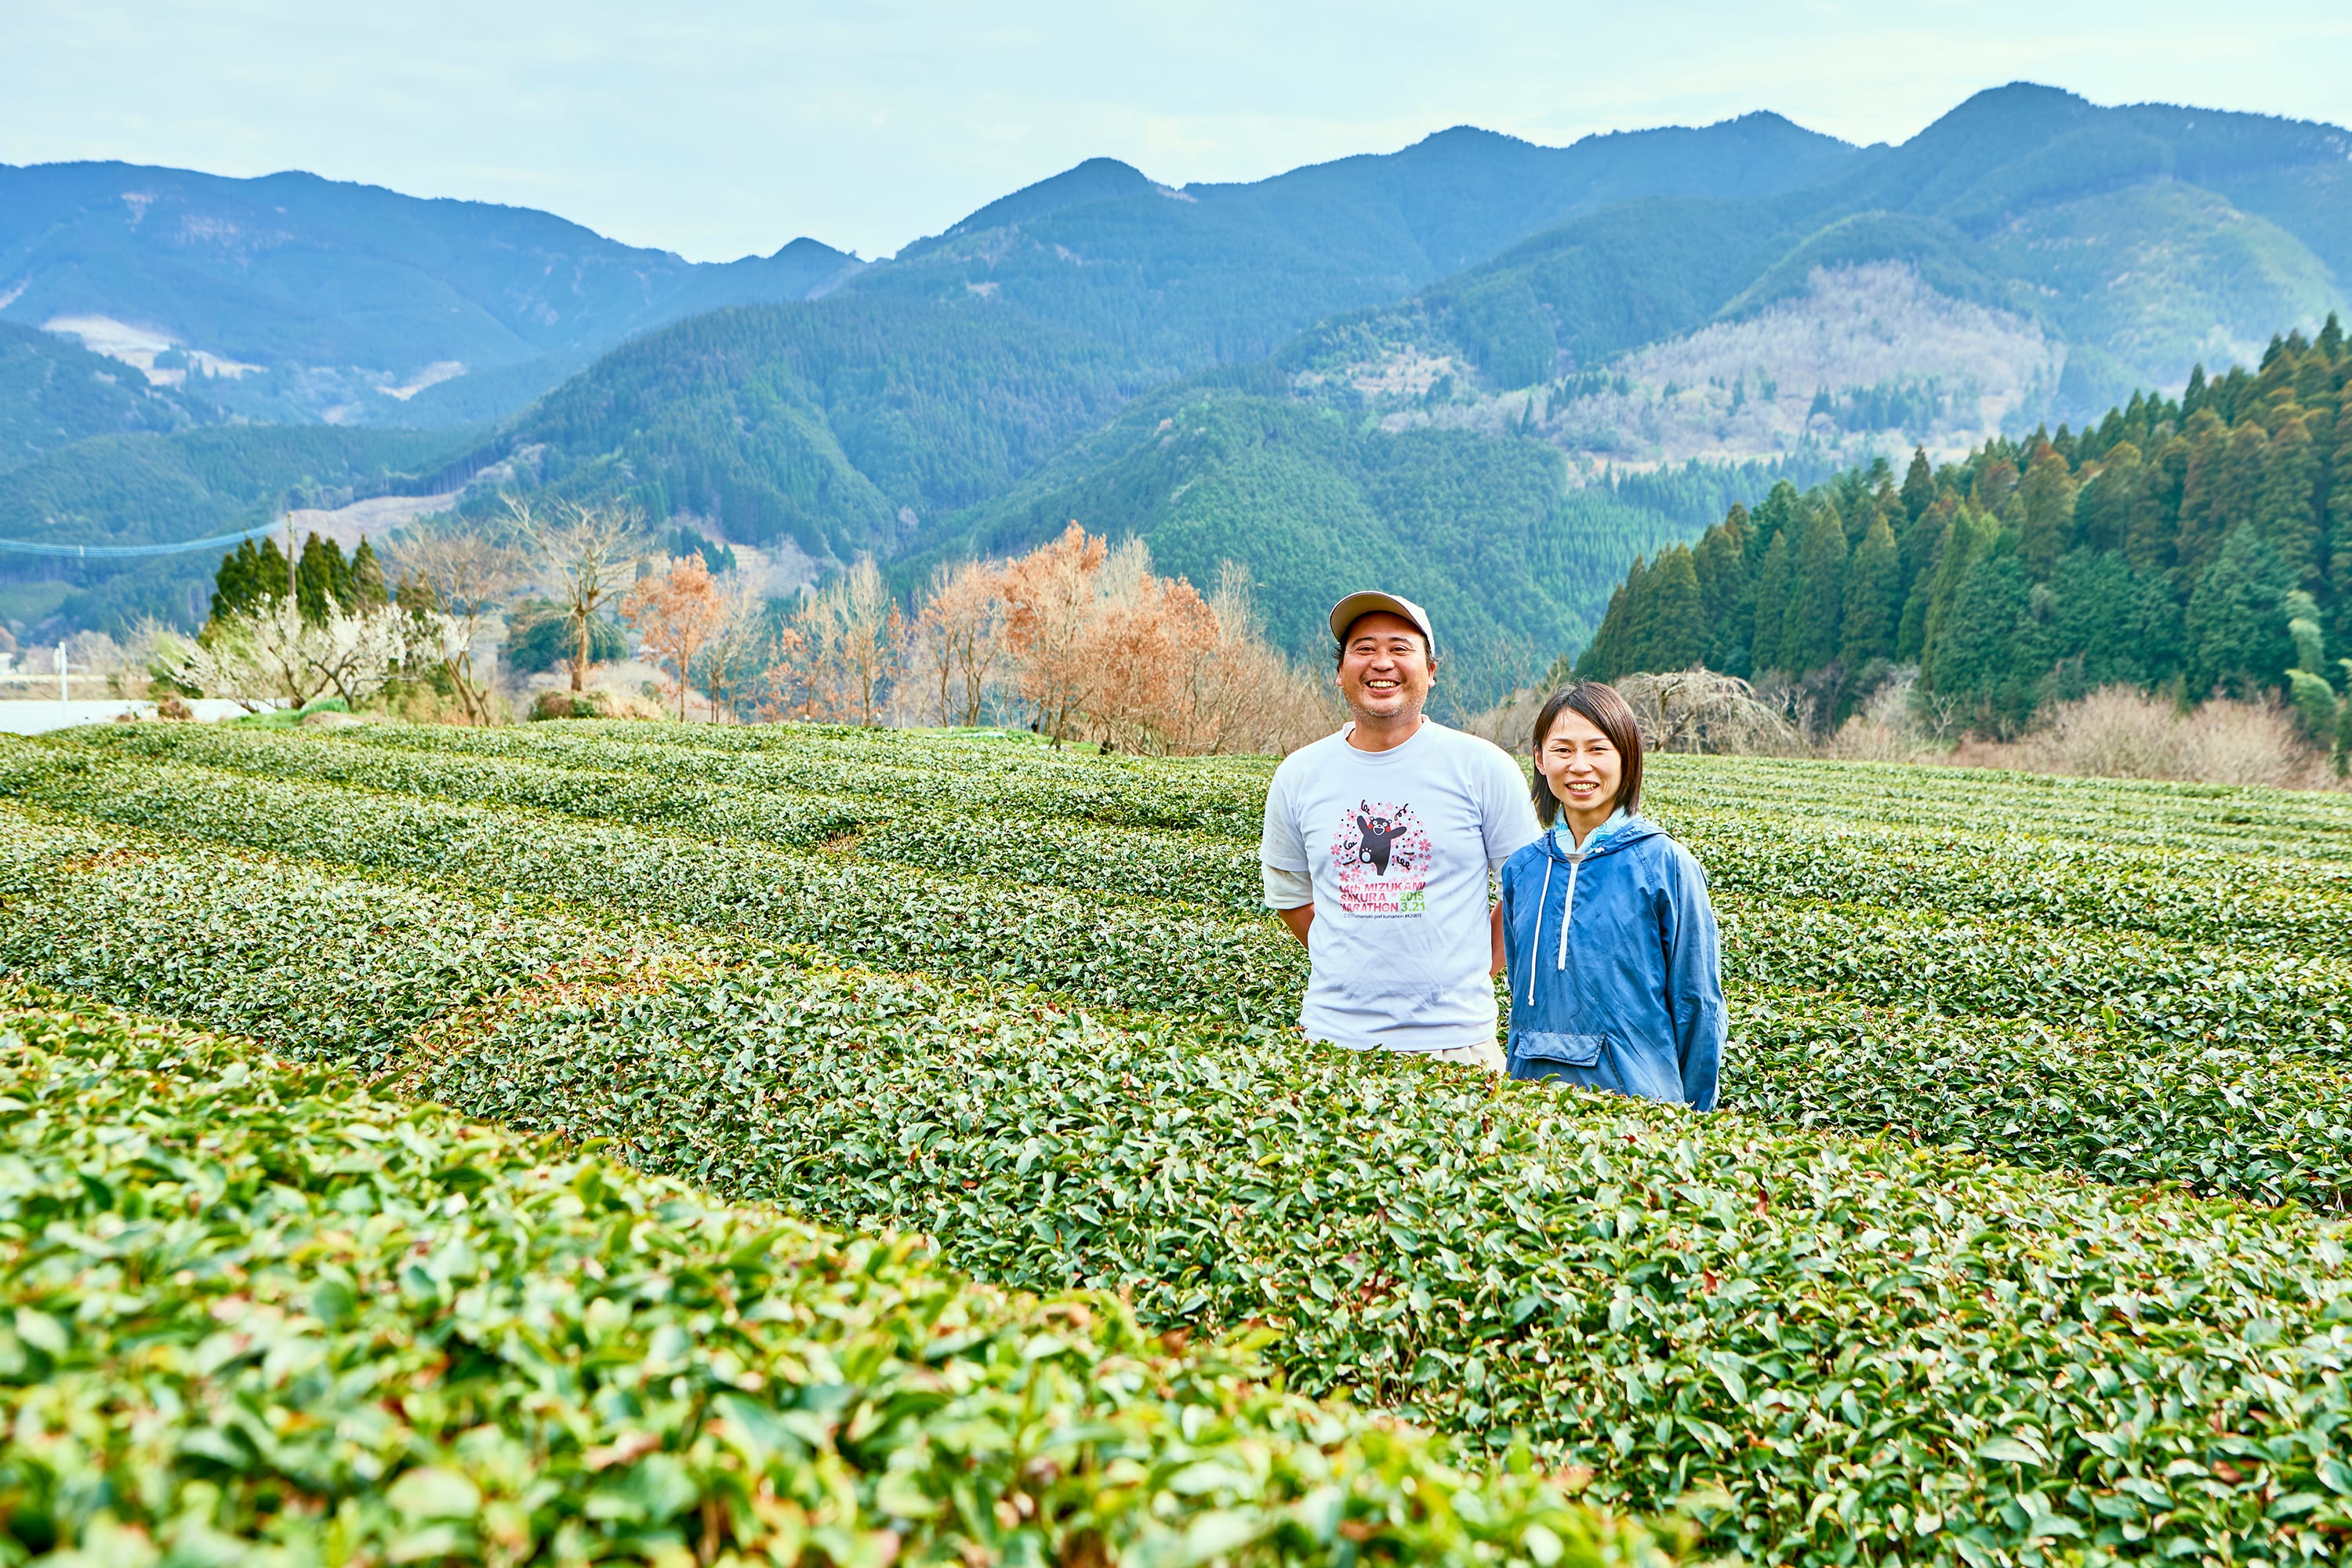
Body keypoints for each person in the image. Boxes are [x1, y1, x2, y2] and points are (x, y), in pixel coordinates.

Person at [1259, 591, 1543, 1067]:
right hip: (1333, 1043)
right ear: (1340, 671)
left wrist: (1476, 966)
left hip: (1460, 1045)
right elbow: (1291, 898)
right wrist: (1349, 955)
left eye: (1400, 648)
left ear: (1431, 669)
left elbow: (1531, 888)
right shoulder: (1299, 775)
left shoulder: (1482, 767)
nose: (1381, 663)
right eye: (1364, 649)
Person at [1497, 681, 1722, 1108]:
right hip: (1530, 1112)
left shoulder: (1664, 863)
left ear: (1627, 758)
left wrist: (1695, 1118)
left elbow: (1698, 1004)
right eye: (1563, 750)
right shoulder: (1522, 870)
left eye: (1597, 749)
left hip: (1641, 1116)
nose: (1579, 766)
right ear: (1540, 759)